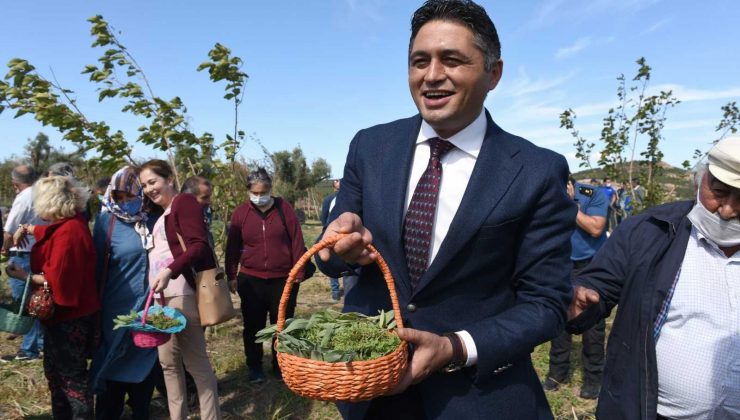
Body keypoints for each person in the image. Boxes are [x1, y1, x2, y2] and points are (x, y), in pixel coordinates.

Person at [316, 1, 576, 418]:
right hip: (372, 394)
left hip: (477, 397)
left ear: (494, 74)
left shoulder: (536, 170)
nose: (432, 75)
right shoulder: (370, 147)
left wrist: (455, 347)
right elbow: (330, 253)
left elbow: (545, 303)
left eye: (452, 60)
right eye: (420, 61)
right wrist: (335, 247)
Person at [567, 137, 740, 419]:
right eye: (719, 192)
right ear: (700, 181)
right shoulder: (650, 230)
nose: (728, 210)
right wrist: (579, 300)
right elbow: (599, 284)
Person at [7, 176, 100, 419]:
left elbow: (56, 280)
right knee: (58, 373)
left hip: (70, 317)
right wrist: (28, 229)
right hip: (67, 315)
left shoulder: (68, 233)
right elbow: (49, 232)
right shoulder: (69, 225)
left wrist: (23, 275)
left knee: (70, 377)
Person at [139, 159, 222, 420]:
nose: (149, 189)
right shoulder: (161, 215)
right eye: (144, 185)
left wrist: (169, 270)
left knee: (195, 364)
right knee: (168, 365)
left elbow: (198, 245)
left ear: (169, 179)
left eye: (153, 181)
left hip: (181, 294)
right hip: (161, 300)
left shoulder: (184, 203)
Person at [89, 166, 160, 420]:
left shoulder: (153, 220)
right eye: (119, 197)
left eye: (130, 196)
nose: (124, 202)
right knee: (113, 368)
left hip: (149, 311)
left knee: (145, 365)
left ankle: (141, 410)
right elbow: (96, 268)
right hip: (115, 310)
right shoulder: (107, 222)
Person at [225, 168, 306, 383]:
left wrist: (299, 270)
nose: (259, 196)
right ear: (249, 191)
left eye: (264, 191)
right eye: (255, 192)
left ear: (270, 189)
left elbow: (297, 240)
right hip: (251, 279)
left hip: (283, 278)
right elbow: (232, 246)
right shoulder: (241, 213)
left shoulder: (284, 208)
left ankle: (281, 366)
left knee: (282, 324)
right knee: (253, 325)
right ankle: (254, 366)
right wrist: (231, 274)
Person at [544, 177, 608, 399]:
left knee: (593, 325)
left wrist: (569, 205)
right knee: (559, 320)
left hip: (591, 266)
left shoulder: (593, 194)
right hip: (561, 264)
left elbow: (596, 228)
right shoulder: (548, 193)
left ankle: (593, 378)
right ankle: (557, 373)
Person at [2, 164, 45, 361]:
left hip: (23, 255)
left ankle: (29, 350)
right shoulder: (44, 192)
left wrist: (3, 249)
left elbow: (9, 230)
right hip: (40, 252)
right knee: (39, 300)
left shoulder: (24, 197)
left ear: (15, 183)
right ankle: (42, 344)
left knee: (25, 304)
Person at [321, 179, 343, 301]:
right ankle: (335, 290)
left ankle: (348, 289)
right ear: (333, 187)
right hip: (331, 236)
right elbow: (324, 218)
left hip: (346, 235)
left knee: (346, 262)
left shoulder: (351, 198)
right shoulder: (329, 200)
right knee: (331, 261)